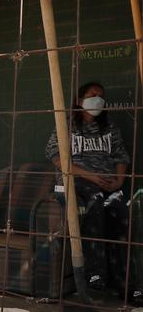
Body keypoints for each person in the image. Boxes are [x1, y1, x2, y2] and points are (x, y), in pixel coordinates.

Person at [45, 82, 141, 305]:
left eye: (100, 96)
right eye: (92, 95)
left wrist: (118, 182)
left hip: (107, 183)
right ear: (79, 101)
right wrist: (91, 176)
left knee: (120, 210)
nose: (97, 99)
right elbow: (58, 159)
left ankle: (128, 285)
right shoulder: (66, 125)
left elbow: (121, 158)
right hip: (78, 182)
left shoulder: (110, 128)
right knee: (95, 202)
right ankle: (95, 274)